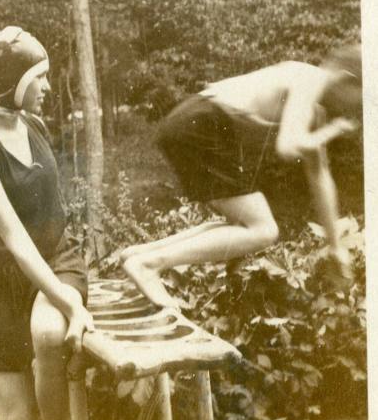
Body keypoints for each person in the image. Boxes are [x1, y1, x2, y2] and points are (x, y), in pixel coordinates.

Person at [121, 45, 362, 310]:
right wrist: (333, 131)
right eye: (362, 96)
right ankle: (148, 265)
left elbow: (319, 175)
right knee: (263, 230)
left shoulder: (315, 109)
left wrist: (335, 245)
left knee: (243, 223)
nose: (358, 108)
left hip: (195, 120)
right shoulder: (309, 79)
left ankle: (140, 255)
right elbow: (288, 146)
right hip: (203, 121)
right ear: (346, 79)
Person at [0, 26, 93, 420]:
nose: (48, 87)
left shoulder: (33, 125)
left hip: (54, 259)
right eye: (40, 77)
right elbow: (14, 239)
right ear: (14, 84)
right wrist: (68, 301)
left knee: (49, 332)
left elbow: (48, 217)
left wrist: (67, 297)